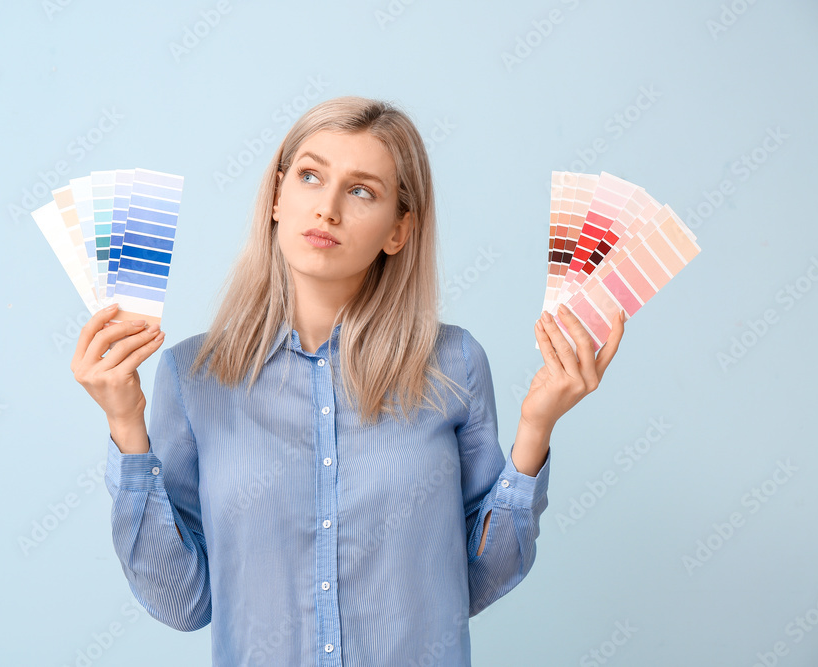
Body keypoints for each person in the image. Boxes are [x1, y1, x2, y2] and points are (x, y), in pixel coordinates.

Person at [71, 95, 624, 666]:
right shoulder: (194, 375)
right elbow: (181, 600)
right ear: (278, 199)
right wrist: (124, 427)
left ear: (398, 231)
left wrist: (535, 431)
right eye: (310, 176)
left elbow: (478, 580)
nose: (328, 208)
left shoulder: (454, 363)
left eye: (362, 190)